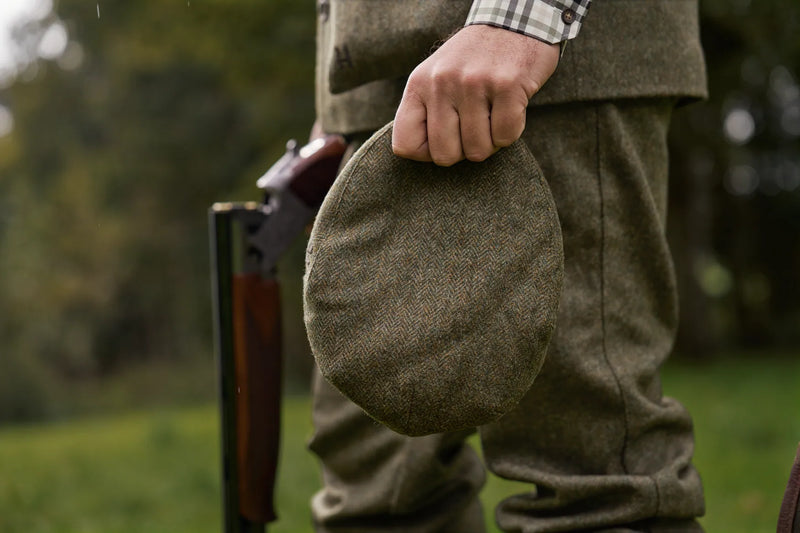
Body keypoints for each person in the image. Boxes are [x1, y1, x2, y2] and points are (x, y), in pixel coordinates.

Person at [308, 0, 708, 531]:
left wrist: (518, 19)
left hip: (545, 65)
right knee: (379, 504)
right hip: (372, 86)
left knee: (595, 489)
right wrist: (331, 108)